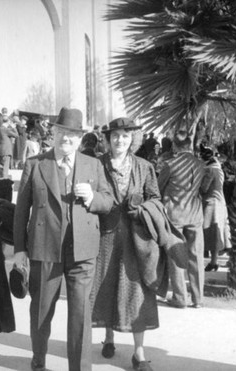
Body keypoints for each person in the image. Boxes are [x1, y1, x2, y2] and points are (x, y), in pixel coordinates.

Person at [13, 107, 113, 371]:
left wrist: (92, 198)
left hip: (83, 251)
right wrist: (20, 250)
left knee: (80, 313)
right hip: (44, 248)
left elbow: (108, 201)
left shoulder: (93, 164)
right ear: (53, 133)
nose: (66, 139)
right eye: (61, 132)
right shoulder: (35, 164)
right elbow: (21, 210)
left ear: (80, 139)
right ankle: (39, 360)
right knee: (42, 311)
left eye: (72, 134)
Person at [90, 118, 160, 371]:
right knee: (106, 287)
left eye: (126, 136)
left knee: (136, 291)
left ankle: (139, 354)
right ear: (108, 139)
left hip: (135, 238)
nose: (120, 140)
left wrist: (141, 207)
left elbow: (156, 199)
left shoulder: (144, 167)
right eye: (116, 136)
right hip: (104, 237)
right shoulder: (96, 165)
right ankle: (108, 338)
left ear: (133, 140)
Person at [158, 130, 206, 309]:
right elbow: (205, 187)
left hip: (174, 214)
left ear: (174, 146)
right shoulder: (201, 164)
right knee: (196, 255)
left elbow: (159, 187)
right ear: (190, 145)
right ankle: (198, 298)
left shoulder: (170, 164)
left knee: (175, 254)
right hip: (195, 214)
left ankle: (180, 297)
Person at [199, 145, 231, 272]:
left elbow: (204, 188)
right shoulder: (219, 168)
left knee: (209, 233)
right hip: (219, 204)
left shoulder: (209, 170)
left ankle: (208, 261)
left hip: (211, 204)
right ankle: (214, 261)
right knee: (217, 234)